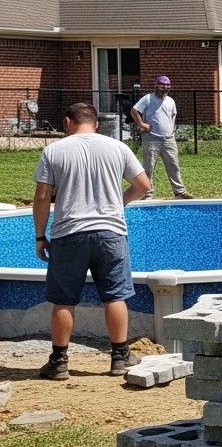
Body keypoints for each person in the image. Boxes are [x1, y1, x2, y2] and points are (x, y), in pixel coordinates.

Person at [32, 102, 153, 379]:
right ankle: (120, 357)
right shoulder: (117, 148)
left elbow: (41, 197)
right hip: (110, 233)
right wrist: (117, 203)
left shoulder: (53, 151)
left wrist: (40, 236)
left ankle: (59, 362)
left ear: (67, 122)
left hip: (68, 233)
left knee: (63, 300)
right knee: (115, 295)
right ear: (96, 124)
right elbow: (143, 185)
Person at [130, 75, 193, 199]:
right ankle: (147, 193)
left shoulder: (170, 101)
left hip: (169, 139)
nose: (165, 88)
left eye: (167, 85)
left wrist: (173, 128)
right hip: (152, 139)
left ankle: (179, 192)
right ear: (157, 85)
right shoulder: (147, 99)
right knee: (148, 167)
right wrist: (142, 124)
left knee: (173, 166)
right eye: (163, 85)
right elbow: (134, 111)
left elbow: (173, 115)